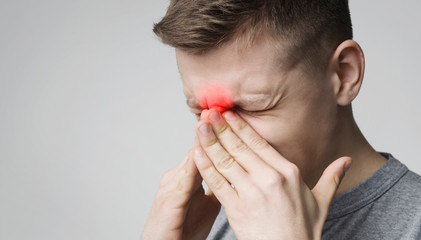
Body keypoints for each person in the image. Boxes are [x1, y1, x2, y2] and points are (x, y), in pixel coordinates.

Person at [141, 0, 421, 239]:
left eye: (254, 107)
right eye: (199, 112)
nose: (220, 139)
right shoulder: (203, 223)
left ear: (344, 74)